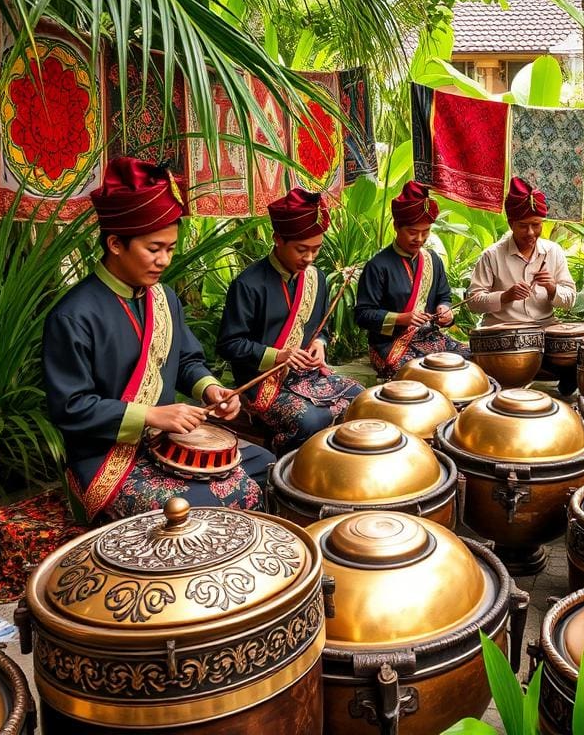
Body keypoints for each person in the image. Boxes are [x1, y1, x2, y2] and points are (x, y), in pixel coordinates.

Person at [43, 157, 273, 524]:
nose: (165, 260)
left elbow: (185, 361)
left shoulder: (163, 297)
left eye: (171, 248)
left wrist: (211, 389)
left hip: (163, 443)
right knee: (222, 499)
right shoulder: (73, 315)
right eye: (155, 248)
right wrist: (150, 414)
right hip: (106, 459)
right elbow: (70, 407)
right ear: (116, 243)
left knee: (268, 467)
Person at [217, 188, 364, 455]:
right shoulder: (248, 284)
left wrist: (320, 343)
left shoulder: (316, 278)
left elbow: (321, 329)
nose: (308, 258)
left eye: (316, 250)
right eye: (301, 249)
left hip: (306, 374)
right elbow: (229, 344)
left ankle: (339, 462)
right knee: (311, 420)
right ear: (278, 239)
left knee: (362, 399)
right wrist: (279, 355)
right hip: (262, 382)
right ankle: (290, 470)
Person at [466, 177, 578, 393]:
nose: (530, 233)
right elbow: (473, 302)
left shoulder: (553, 252)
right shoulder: (492, 255)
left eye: (536, 225)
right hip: (504, 335)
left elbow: (570, 299)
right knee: (511, 361)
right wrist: (505, 296)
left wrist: (553, 288)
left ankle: (549, 369)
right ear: (510, 224)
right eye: (523, 226)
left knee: (580, 352)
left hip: (544, 331)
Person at [354, 180, 467, 377]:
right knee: (418, 373)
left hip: (429, 337)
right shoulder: (378, 266)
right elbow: (363, 315)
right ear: (397, 227)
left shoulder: (433, 261)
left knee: (470, 360)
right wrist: (401, 318)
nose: (420, 239)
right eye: (413, 232)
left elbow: (443, 296)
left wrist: (445, 310)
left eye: (426, 232)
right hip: (390, 344)